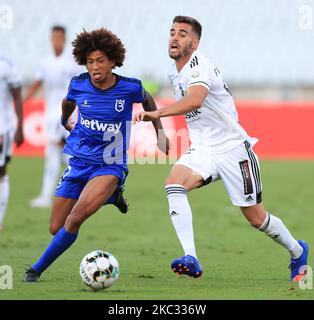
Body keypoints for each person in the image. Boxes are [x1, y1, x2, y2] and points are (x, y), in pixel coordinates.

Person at [133, 16, 308, 282]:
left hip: (233, 150)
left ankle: (297, 251)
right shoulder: (174, 71)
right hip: (202, 149)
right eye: (172, 32)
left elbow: (194, 100)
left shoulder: (199, 66)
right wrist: (159, 133)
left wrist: (158, 113)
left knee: (256, 218)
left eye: (182, 33)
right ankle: (190, 256)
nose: (174, 38)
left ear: (195, 42)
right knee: (173, 184)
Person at [24, 28, 169, 282]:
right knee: (56, 227)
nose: (95, 67)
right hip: (79, 160)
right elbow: (68, 101)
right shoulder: (78, 84)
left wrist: (159, 132)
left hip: (110, 164)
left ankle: (35, 270)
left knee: (75, 218)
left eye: (100, 60)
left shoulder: (129, 88)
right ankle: (112, 197)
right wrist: (64, 118)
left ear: (113, 61)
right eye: (90, 61)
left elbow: (148, 101)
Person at [25, 25, 83, 208]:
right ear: (51, 39)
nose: (57, 41)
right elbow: (37, 83)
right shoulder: (45, 62)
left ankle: (50, 194)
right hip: (51, 114)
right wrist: (22, 102)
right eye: (54, 37)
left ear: (64, 39)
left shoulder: (72, 63)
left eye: (60, 37)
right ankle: (82, 183)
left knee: (59, 152)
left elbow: (80, 88)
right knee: (57, 153)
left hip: (68, 112)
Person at [0, 53, 24, 232]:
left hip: (2, 128)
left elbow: (17, 96)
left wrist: (20, 126)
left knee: (1, 172)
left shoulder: (6, 64)